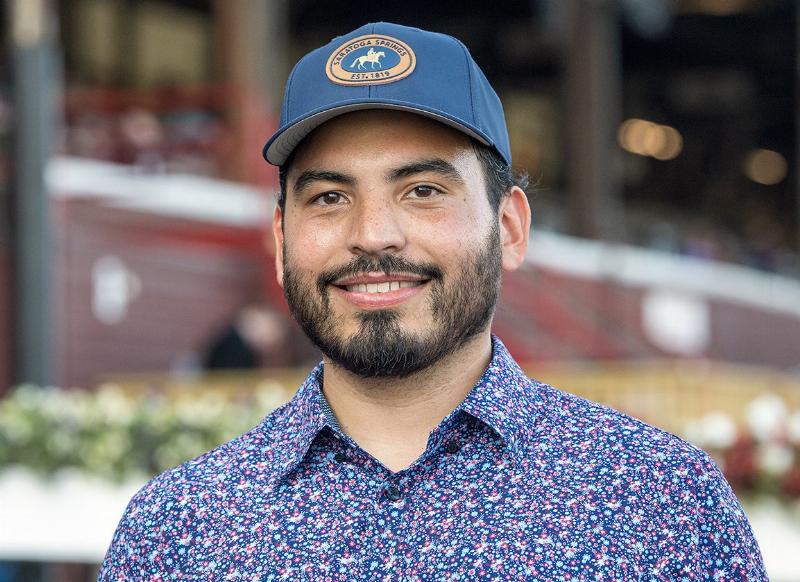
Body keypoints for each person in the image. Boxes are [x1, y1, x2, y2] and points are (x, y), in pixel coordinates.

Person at [99, 22, 766, 580]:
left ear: (509, 228)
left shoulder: (662, 505)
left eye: (422, 190)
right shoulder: (177, 533)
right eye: (329, 197)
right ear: (280, 242)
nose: (373, 235)